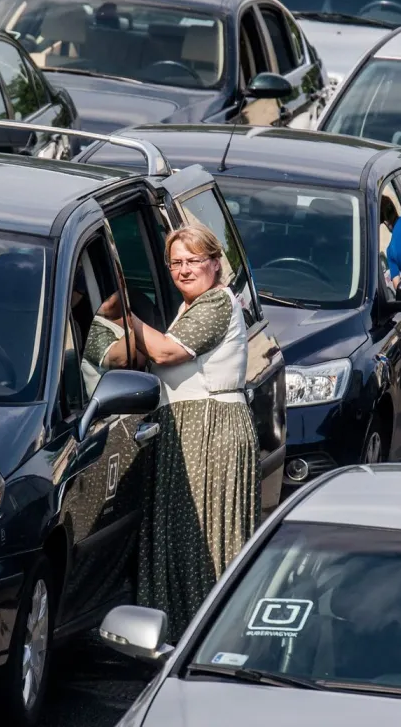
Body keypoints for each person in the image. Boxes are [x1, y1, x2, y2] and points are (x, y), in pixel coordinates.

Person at [128, 225, 258, 635]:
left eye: (193, 261)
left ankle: (212, 635)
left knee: (207, 537)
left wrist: (124, 315)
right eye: (176, 263)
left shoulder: (216, 303)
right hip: (188, 427)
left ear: (215, 264)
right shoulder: (191, 306)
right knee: (183, 537)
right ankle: (184, 631)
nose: (184, 270)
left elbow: (166, 352)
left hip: (211, 428)